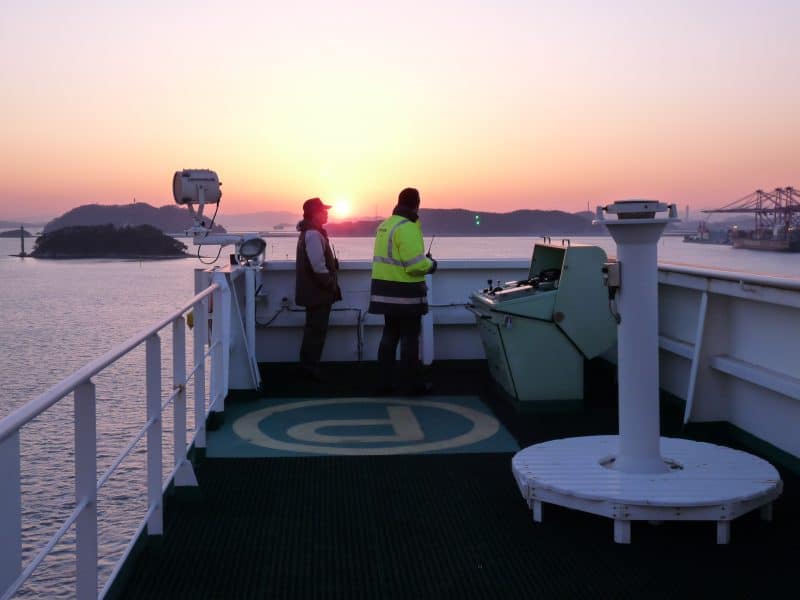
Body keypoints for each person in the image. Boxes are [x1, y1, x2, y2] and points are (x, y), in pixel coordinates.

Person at [368, 187, 438, 395]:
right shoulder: (408, 227)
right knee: (409, 338)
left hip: (384, 292)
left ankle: (384, 382)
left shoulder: (385, 225)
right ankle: (411, 384)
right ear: (417, 204)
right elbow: (415, 265)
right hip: (405, 294)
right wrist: (431, 264)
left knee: (389, 335)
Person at [295, 197, 341, 380]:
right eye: (323, 210)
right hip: (318, 293)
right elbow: (318, 266)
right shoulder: (313, 235)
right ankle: (310, 369)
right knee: (316, 331)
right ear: (315, 213)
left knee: (313, 330)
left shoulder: (308, 233)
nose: (327, 212)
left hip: (312, 292)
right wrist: (331, 283)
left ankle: (308, 367)